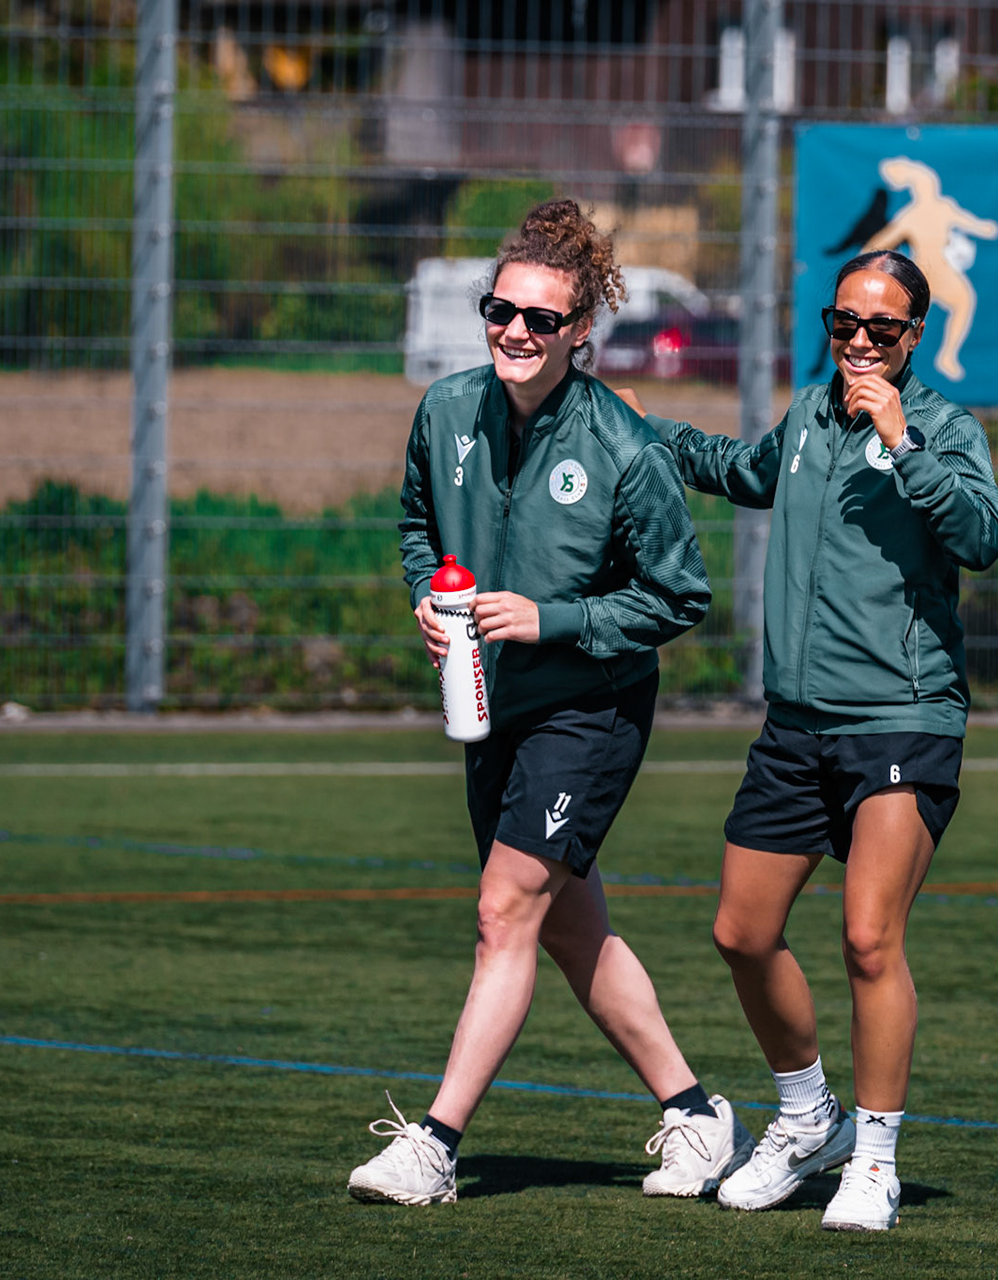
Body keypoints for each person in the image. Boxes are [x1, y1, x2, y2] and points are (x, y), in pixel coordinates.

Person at [347, 200, 751, 1206]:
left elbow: (679, 594)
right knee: (566, 926)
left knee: (504, 907)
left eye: (540, 317)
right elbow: (414, 523)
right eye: (501, 310)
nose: (515, 331)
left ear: (582, 332)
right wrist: (425, 602)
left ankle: (433, 1143)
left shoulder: (625, 446)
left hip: (593, 708)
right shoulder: (444, 411)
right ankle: (697, 1112)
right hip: (490, 705)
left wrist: (551, 619)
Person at [628, 249, 998, 1231]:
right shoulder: (805, 416)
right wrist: (633, 425)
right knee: (741, 932)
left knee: (869, 935)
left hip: (902, 719)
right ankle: (809, 1118)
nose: (861, 343)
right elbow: (738, 468)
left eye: (883, 329)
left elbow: (981, 532)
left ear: (915, 336)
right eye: (846, 324)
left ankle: (874, 1160)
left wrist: (905, 441)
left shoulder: (946, 426)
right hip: (796, 724)